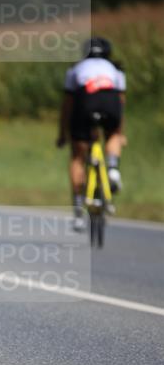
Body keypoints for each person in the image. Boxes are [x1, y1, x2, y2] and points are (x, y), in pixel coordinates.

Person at [57, 37, 126, 231]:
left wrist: (64, 133)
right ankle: (112, 169)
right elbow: (121, 103)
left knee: (78, 157)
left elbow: (68, 105)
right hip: (110, 101)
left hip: (85, 102)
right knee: (112, 135)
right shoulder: (116, 70)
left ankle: (79, 212)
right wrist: (120, 133)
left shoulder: (75, 69)